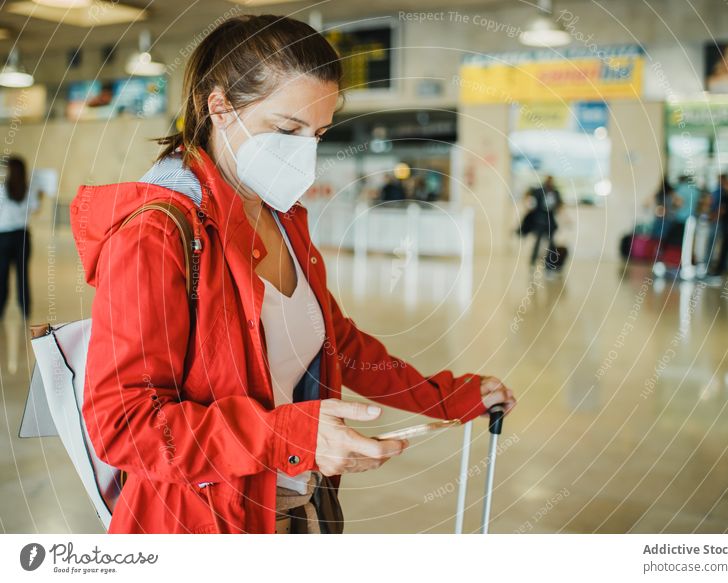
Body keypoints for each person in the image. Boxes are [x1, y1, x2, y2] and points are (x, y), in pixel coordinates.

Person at [70, 15, 516, 535]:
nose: (304, 151)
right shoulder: (157, 234)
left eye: (318, 133)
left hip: (288, 509)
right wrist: (292, 436)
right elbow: (124, 426)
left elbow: (335, 340)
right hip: (197, 525)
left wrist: (448, 397)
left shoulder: (283, 216)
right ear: (219, 107)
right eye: (286, 130)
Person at [0, 156, 43, 319]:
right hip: (22, 237)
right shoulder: (30, 188)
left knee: (2, 275)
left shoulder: (2, 189)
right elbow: (36, 209)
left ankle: (1, 309)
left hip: (3, 237)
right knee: (22, 275)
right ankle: (25, 310)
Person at [524, 175, 562, 267]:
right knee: (537, 241)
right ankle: (533, 261)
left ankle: (550, 262)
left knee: (551, 243)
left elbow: (559, 204)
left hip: (550, 221)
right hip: (540, 220)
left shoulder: (555, 192)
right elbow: (528, 195)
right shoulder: (539, 191)